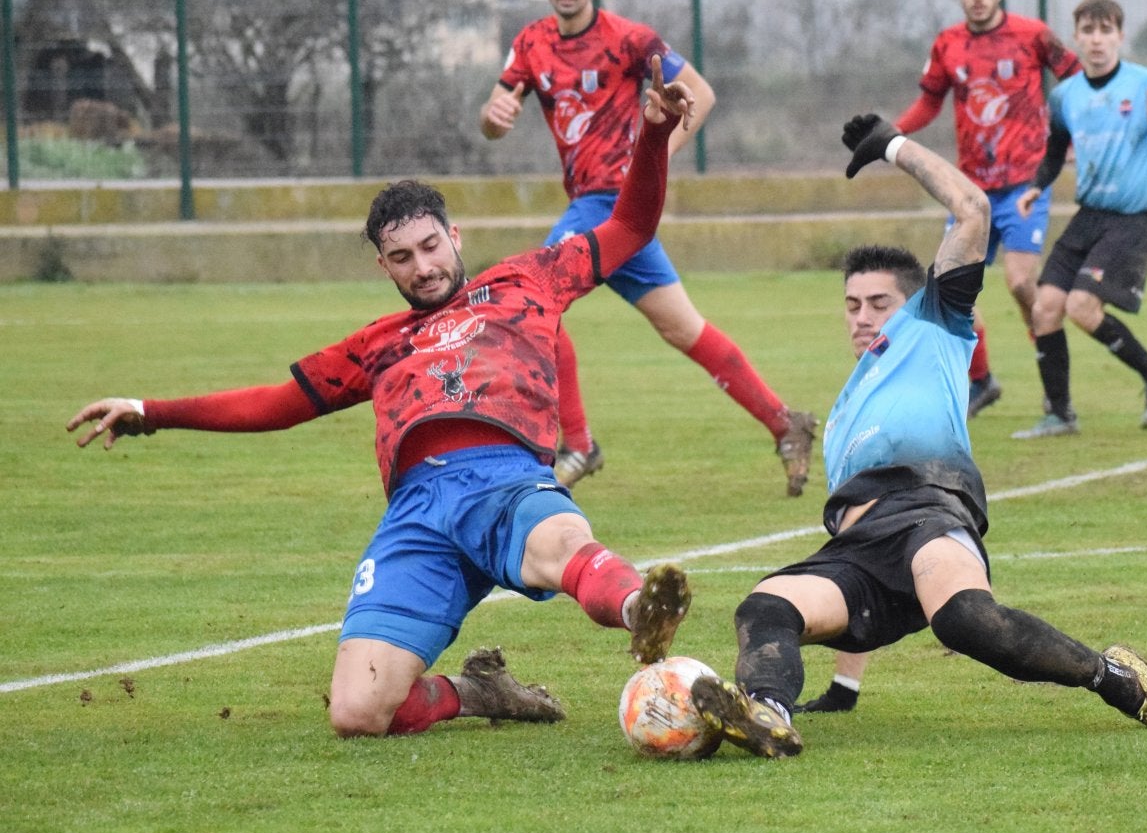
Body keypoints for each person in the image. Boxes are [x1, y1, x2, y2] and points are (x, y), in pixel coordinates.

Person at [67, 58, 697, 740]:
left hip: (503, 479)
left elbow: (629, 228)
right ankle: (477, 691)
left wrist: (653, 136)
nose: (423, 268)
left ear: (454, 237)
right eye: (402, 258)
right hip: (418, 515)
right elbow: (276, 402)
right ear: (383, 265)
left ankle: (640, 608)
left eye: (430, 247)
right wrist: (151, 412)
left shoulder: (528, 280)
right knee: (359, 713)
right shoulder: (378, 343)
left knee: (560, 541)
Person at [687, 114, 1147, 758]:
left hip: (929, 516)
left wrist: (893, 147)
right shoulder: (845, 413)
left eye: (879, 302)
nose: (863, 316)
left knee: (965, 622)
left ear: (914, 303)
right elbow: (857, 531)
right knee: (764, 607)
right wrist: (846, 682)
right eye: (852, 304)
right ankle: (766, 713)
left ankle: (1115, 677)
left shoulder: (935, 327)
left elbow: (972, 210)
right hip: (857, 554)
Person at [479, 0, 816, 496]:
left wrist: (652, 161)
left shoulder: (629, 39)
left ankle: (579, 445)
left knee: (533, 298)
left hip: (609, 203)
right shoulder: (529, 44)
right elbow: (494, 120)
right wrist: (493, 117)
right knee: (684, 328)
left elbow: (700, 95)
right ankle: (786, 424)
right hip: (601, 212)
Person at [894, 0, 1081, 418]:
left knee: (1021, 284)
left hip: (1024, 184)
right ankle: (982, 381)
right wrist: (891, 135)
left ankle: (1055, 391)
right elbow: (929, 104)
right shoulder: (947, 44)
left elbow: (1077, 77)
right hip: (969, 193)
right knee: (947, 288)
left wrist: (1073, 134)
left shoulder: (1032, 34)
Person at [1011, 0, 1147, 439]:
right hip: (1089, 215)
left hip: (1132, 217)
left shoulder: (1145, 82)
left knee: (1081, 306)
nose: (1097, 41)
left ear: (1120, 36)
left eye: (1106, 31)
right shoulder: (1065, 95)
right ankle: (1060, 414)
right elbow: (1055, 150)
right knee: (1045, 307)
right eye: (1088, 32)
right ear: (1076, 38)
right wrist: (1037, 186)